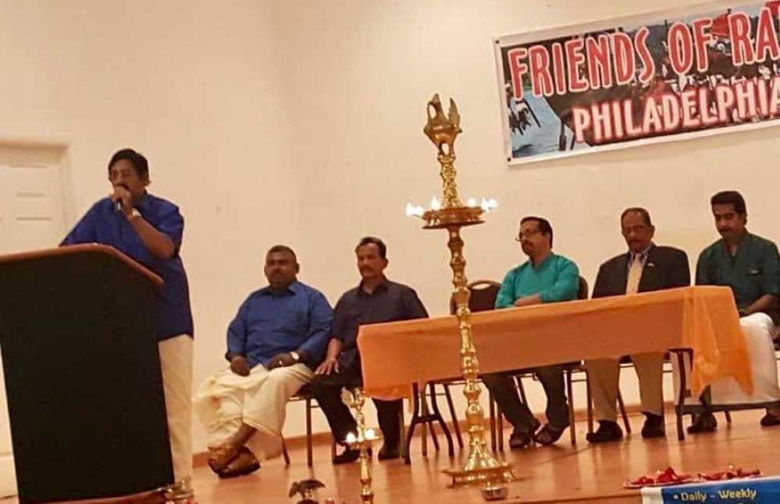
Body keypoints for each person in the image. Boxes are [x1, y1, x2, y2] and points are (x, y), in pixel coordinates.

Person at [61, 148, 194, 497]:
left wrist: (132, 215)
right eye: (114, 175)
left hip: (167, 321)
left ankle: (180, 483)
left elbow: (163, 249)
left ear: (144, 179)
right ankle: (142, 484)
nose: (119, 181)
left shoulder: (165, 211)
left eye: (126, 174)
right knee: (133, 408)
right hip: (123, 326)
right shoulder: (99, 214)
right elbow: (68, 252)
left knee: (173, 407)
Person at [194, 245, 332, 477]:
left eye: (283, 263)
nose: (277, 268)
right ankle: (246, 456)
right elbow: (236, 331)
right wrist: (236, 356)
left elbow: (323, 331)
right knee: (215, 389)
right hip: (254, 366)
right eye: (272, 263)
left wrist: (295, 356)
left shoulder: (312, 298)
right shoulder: (254, 300)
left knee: (276, 380)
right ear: (265, 269)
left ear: (297, 268)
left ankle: (234, 445)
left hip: (295, 365)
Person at [308, 237, 428, 464]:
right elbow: (336, 335)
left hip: (389, 359)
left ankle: (392, 441)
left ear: (384, 262)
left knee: (384, 376)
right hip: (352, 360)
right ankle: (353, 441)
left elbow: (421, 328)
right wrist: (331, 357)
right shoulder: (347, 299)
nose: (365, 263)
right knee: (319, 383)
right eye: (361, 258)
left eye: (371, 258)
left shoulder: (402, 294)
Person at [586, 208, 690, 443]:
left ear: (651, 230)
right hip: (617, 333)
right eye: (628, 230)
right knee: (595, 354)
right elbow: (597, 309)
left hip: (656, 330)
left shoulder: (672, 258)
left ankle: (654, 416)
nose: (633, 235)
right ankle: (607, 422)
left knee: (647, 347)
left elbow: (678, 299)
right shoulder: (609, 268)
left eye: (638, 229)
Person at [482, 216, 579, 448]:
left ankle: (558, 417)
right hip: (519, 342)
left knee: (546, 362)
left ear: (547, 236)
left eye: (530, 233)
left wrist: (523, 303)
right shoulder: (514, 274)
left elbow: (561, 293)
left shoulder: (565, 267)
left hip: (557, 341)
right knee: (488, 370)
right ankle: (523, 422)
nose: (525, 239)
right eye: (521, 235)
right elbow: (501, 305)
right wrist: (524, 306)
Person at [689, 190, 780, 433]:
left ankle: (772, 404)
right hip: (721, 318)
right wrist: (723, 316)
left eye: (728, 217)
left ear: (743, 217)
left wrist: (745, 311)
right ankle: (700, 410)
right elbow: (703, 296)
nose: (723, 224)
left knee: (751, 327)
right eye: (717, 218)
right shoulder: (708, 256)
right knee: (690, 335)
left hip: (762, 315)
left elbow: (772, 293)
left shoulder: (765, 249)